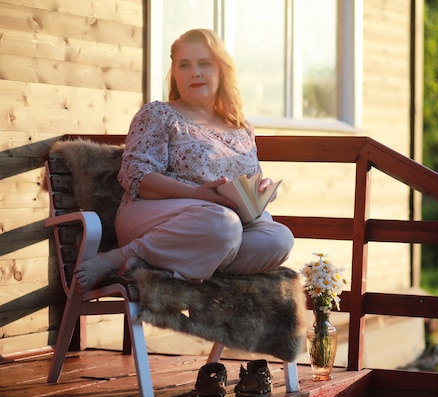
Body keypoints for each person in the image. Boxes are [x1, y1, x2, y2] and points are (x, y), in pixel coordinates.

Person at [74, 28, 294, 292]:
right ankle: (118, 257)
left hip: (222, 228)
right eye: (185, 65)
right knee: (222, 224)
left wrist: (259, 190)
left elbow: (248, 181)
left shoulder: (241, 127)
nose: (195, 72)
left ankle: (157, 266)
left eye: (204, 64)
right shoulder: (158, 114)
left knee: (278, 238)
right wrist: (197, 194)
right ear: (175, 72)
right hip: (158, 216)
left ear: (221, 71)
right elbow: (138, 178)